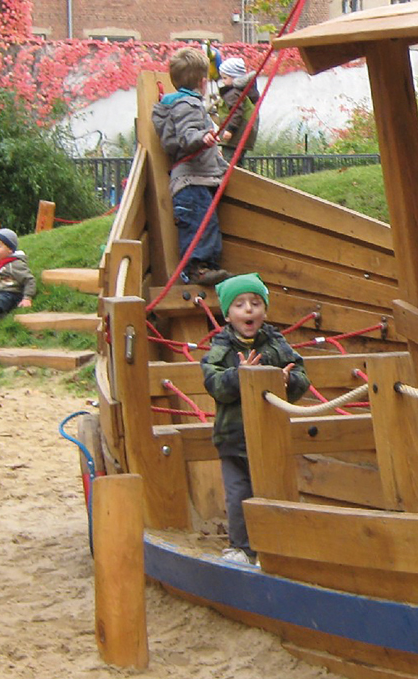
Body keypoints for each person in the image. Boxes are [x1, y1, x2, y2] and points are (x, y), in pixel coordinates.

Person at [201, 273, 310, 565]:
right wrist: (240, 376)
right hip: (234, 436)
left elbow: (300, 375)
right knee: (239, 494)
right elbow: (213, 382)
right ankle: (243, 548)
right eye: (239, 304)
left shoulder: (275, 342)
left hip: (270, 435)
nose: (248, 309)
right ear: (227, 314)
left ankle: (277, 547)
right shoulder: (222, 346)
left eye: (255, 302)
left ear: (264, 310)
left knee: (274, 489)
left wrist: (288, 382)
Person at [153, 46, 232, 287]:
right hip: (191, 179)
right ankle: (197, 270)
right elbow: (187, 135)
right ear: (203, 81)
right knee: (199, 224)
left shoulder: (184, 103)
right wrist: (202, 138)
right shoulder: (187, 104)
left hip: (197, 178)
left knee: (206, 223)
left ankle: (205, 267)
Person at [216, 56, 259, 167]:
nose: (223, 82)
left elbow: (236, 112)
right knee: (237, 162)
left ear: (235, 78)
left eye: (225, 78)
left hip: (234, 137)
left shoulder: (233, 94)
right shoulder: (241, 92)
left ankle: (232, 182)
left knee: (229, 163)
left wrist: (230, 130)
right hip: (241, 137)